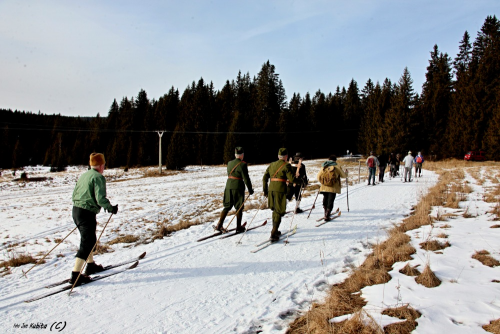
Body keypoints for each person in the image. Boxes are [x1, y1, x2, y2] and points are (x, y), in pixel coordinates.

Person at [70, 153, 118, 285]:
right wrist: (110, 207)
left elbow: (75, 193)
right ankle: (76, 275)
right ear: (101, 165)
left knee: (88, 239)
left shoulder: (84, 175)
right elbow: (100, 198)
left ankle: (90, 265)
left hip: (76, 211)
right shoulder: (98, 177)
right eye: (104, 165)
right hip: (86, 213)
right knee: (87, 242)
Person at [263, 148, 302, 241]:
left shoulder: (272, 164)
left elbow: (264, 177)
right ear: (286, 157)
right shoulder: (286, 166)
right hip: (280, 190)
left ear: (278, 156)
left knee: (275, 210)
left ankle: (275, 230)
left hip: (271, 189)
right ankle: (273, 232)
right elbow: (292, 179)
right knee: (279, 210)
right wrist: (301, 181)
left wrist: (265, 190)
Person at [214, 147, 254, 233]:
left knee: (227, 206)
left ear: (235, 155)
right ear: (242, 155)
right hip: (238, 187)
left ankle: (219, 225)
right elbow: (246, 178)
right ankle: (238, 227)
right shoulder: (242, 164)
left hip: (228, 186)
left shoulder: (229, 163)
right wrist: (250, 189)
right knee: (239, 207)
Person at [317, 155, 347, 221]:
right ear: (335, 160)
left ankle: (325, 213)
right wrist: (346, 173)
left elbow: (318, 176)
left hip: (324, 186)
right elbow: (343, 175)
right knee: (331, 200)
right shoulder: (337, 166)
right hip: (333, 187)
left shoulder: (324, 166)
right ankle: (327, 215)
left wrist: (323, 182)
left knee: (325, 198)